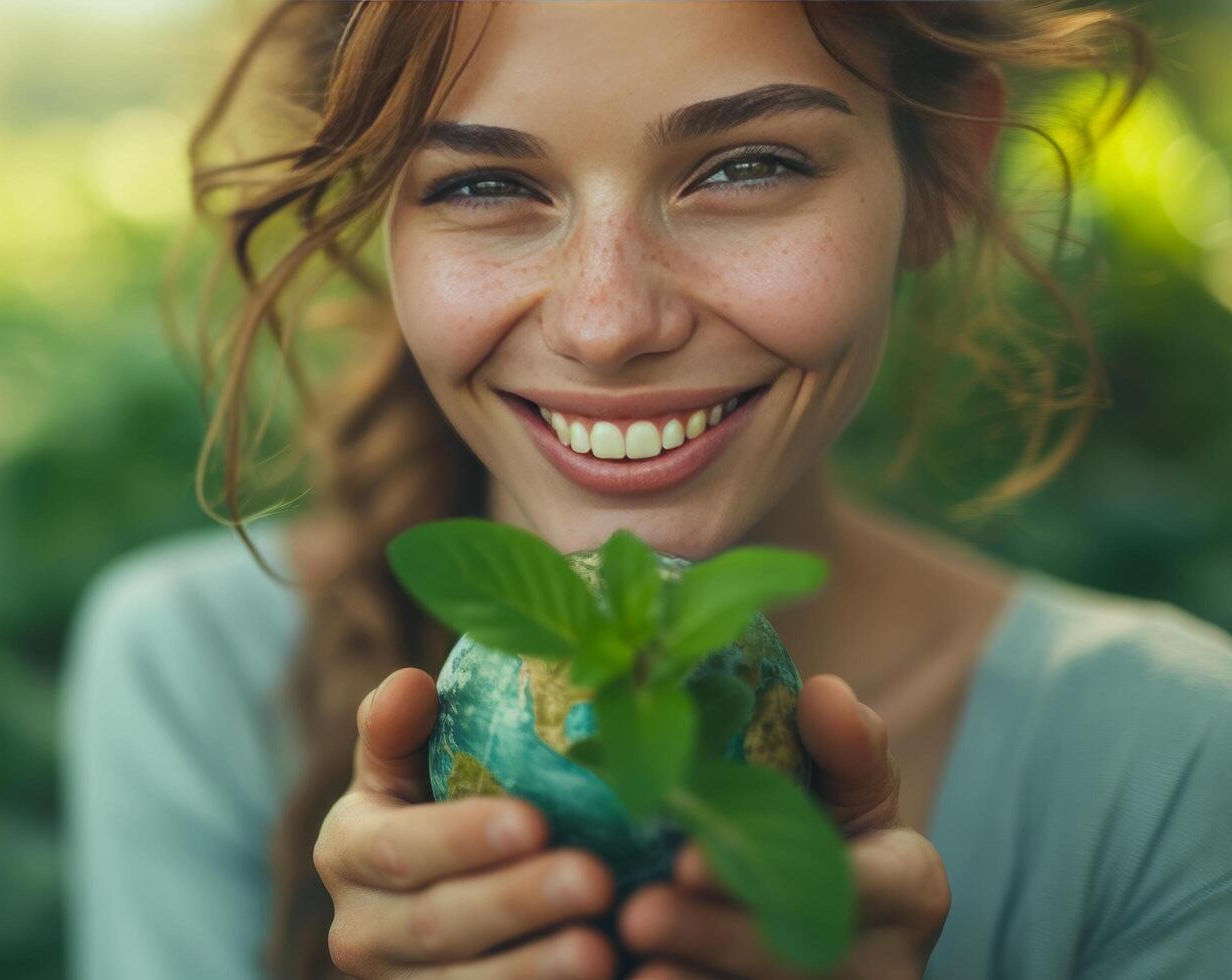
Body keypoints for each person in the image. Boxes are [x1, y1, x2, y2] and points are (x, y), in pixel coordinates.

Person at [64, 2, 1232, 978]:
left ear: (944, 179)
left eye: (747, 167)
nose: (610, 322)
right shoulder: (199, 672)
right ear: (381, 207)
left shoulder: (1169, 761)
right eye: (481, 184)